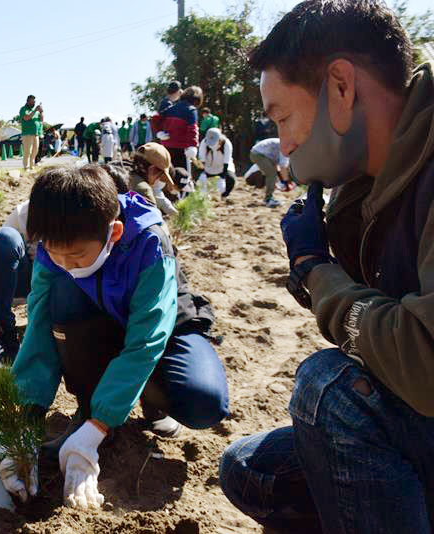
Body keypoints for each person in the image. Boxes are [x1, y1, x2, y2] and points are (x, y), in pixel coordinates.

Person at [218, 1, 434, 532]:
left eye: (282, 118)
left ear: (341, 86)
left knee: (328, 392)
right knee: (251, 470)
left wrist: (315, 268)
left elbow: (425, 365)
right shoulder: (366, 180)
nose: (285, 144)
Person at [0, 165, 227, 509]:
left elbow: (148, 339)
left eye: (77, 256)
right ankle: (89, 407)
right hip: (102, 327)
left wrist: (98, 427)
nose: (66, 264)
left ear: (114, 233)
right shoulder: (55, 246)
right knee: (61, 295)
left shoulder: (149, 243)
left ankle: (136, 404)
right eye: (55, 254)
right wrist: (26, 424)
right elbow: (39, 328)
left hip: (163, 329)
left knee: (204, 402)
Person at [0, 200, 35, 364]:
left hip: (68, 281)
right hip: (28, 279)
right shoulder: (24, 212)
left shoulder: (82, 211)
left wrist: (51, 254)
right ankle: (4, 330)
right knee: (6, 238)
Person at [152, 86, 202, 183]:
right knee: (183, 177)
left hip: (167, 146)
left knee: (168, 173)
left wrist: (159, 132)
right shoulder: (191, 110)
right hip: (182, 149)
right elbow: (192, 129)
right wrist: (192, 145)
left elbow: (155, 119)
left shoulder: (171, 108)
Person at [128, 143, 179, 217]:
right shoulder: (143, 190)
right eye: (160, 176)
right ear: (152, 170)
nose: (158, 180)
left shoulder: (122, 168)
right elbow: (153, 222)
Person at [249, 137, 289, 208]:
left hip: (258, 152)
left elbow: (277, 167)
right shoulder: (287, 147)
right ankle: (268, 199)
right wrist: (286, 183)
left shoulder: (285, 144)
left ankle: (268, 196)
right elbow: (283, 167)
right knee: (271, 174)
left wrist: (282, 180)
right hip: (258, 154)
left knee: (272, 174)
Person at [197, 128, 236, 197]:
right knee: (197, 176)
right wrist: (202, 173)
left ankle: (224, 196)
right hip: (208, 167)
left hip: (222, 167)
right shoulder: (204, 143)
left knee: (231, 179)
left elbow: (226, 161)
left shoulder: (226, 144)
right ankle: (202, 195)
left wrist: (222, 178)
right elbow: (201, 160)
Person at [19, 95, 42, 171]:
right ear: (28, 101)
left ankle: (32, 166)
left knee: (35, 151)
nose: (34, 103)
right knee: (27, 151)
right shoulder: (23, 109)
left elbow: (41, 120)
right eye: (32, 101)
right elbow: (26, 118)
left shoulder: (36, 111)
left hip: (36, 133)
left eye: (34, 101)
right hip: (27, 134)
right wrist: (35, 110)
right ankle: (26, 167)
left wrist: (41, 111)